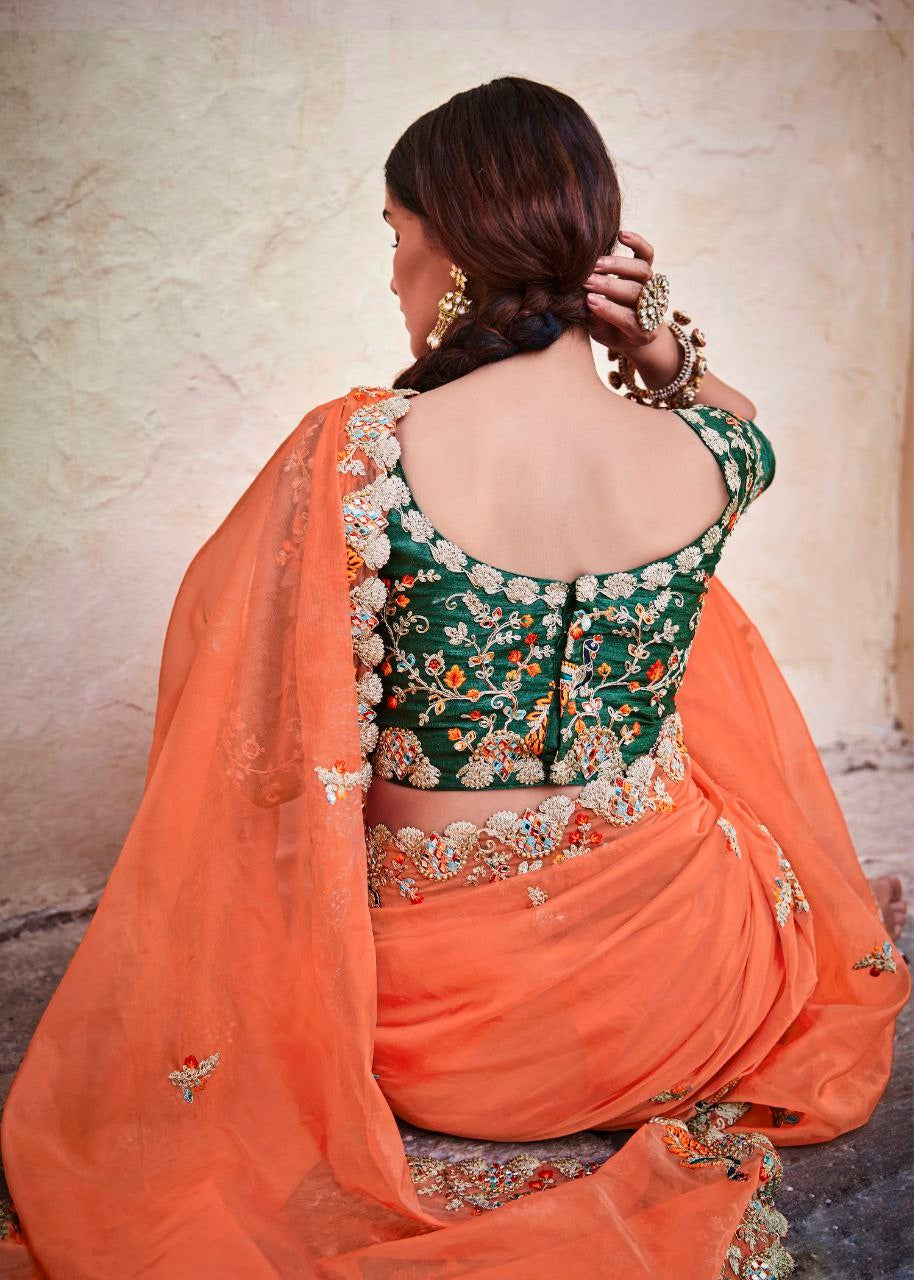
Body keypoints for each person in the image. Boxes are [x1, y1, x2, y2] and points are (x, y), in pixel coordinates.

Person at [0, 75, 908, 1280]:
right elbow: (740, 418)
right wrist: (658, 346)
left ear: (458, 248)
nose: (393, 276)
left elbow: (256, 740)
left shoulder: (359, 452)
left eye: (396, 236)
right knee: (741, 813)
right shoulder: (709, 454)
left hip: (432, 1039)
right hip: (686, 1001)